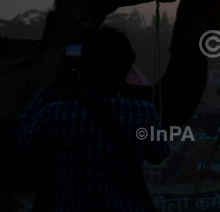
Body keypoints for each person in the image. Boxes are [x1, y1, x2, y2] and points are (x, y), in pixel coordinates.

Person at [11, 27, 170, 211]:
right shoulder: (145, 113)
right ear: (125, 69)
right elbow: (159, 154)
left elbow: (20, 140)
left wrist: (51, 88)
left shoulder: (56, 114)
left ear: (83, 67)